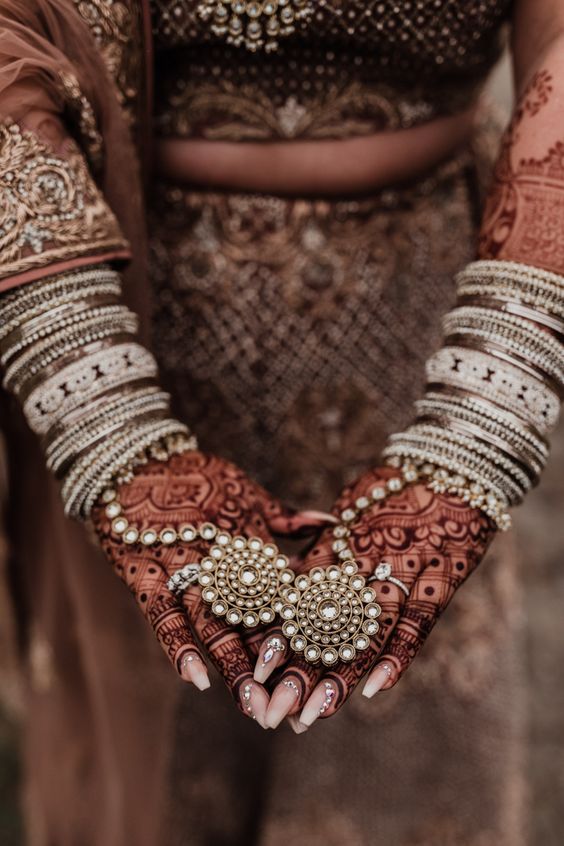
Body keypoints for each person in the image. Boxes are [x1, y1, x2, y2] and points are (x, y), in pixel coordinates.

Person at [0, 1, 562, 844]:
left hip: (425, 330)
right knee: (154, 768)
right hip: (121, 308)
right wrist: (103, 419)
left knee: (410, 766)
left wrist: (481, 426)